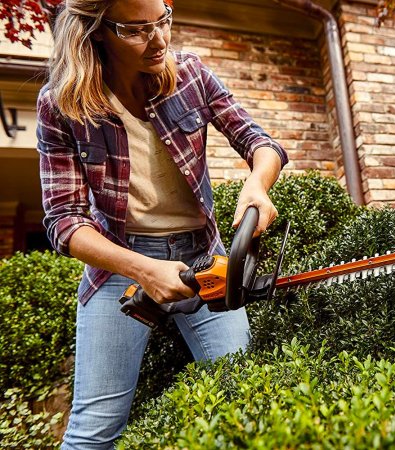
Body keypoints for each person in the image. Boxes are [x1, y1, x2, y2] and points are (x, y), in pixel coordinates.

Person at [36, 0, 288, 447]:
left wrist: (256, 185)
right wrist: (141, 269)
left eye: (163, 20)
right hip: (119, 268)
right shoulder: (62, 106)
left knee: (249, 405)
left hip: (204, 258)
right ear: (97, 32)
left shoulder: (190, 74)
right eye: (136, 30)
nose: (159, 39)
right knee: (93, 430)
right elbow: (64, 221)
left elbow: (260, 143)